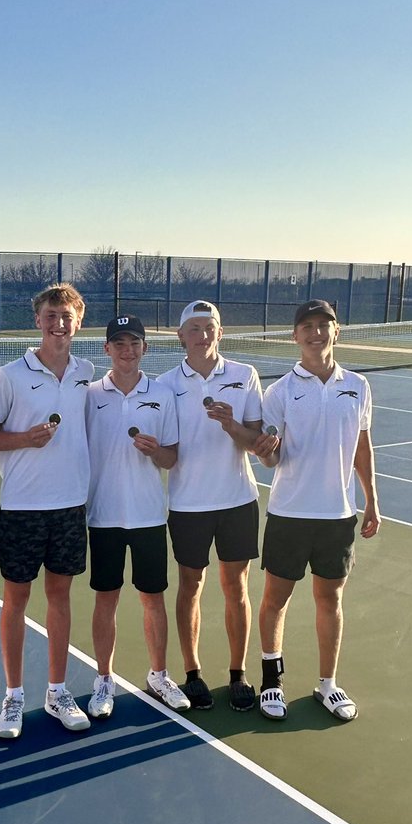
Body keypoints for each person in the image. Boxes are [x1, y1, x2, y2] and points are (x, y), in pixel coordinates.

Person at [0, 283, 93, 740]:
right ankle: (13, 696)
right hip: (23, 508)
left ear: (78, 321)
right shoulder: (9, 376)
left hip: (69, 508)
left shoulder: (88, 374)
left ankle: (58, 691)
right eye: (51, 316)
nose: (58, 324)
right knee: (17, 601)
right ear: (38, 321)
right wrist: (24, 439)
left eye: (66, 316)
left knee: (61, 600)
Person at [255, 299, 379, 723]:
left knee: (331, 599)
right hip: (289, 513)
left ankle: (327, 684)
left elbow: (363, 446)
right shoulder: (280, 392)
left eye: (323, 325)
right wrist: (266, 453)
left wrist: (371, 502)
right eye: (306, 326)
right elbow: (270, 457)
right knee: (276, 598)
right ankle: (272, 679)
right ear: (295, 336)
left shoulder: (358, 386)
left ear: (336, 330)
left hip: (338, 515)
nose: (315, 333)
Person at [157, 301, 277, 711]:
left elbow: (257, 445)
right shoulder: (165, 384)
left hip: (237, 501)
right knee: (190, 586)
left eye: (209, 327)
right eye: (194, 328)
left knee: (236, 587)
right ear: (181, 336)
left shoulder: (245, 376)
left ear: (220, 333)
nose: (202, 335)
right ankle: (191, 673)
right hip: (188, 504)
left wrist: (231, 426)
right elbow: (166, 449)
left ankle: (238, 673)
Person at [85, 315, 187, 716]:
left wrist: (155, 451)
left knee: (153, 598)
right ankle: (103, 680)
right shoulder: (90, 395)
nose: (127, 350)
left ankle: (159, 674)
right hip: (103, 516)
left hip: (148, 516)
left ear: (145, 348)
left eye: (135, 343)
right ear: (107, 349)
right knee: (105, 598)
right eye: (119, 343)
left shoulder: (162, 395)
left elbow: (172, 458)